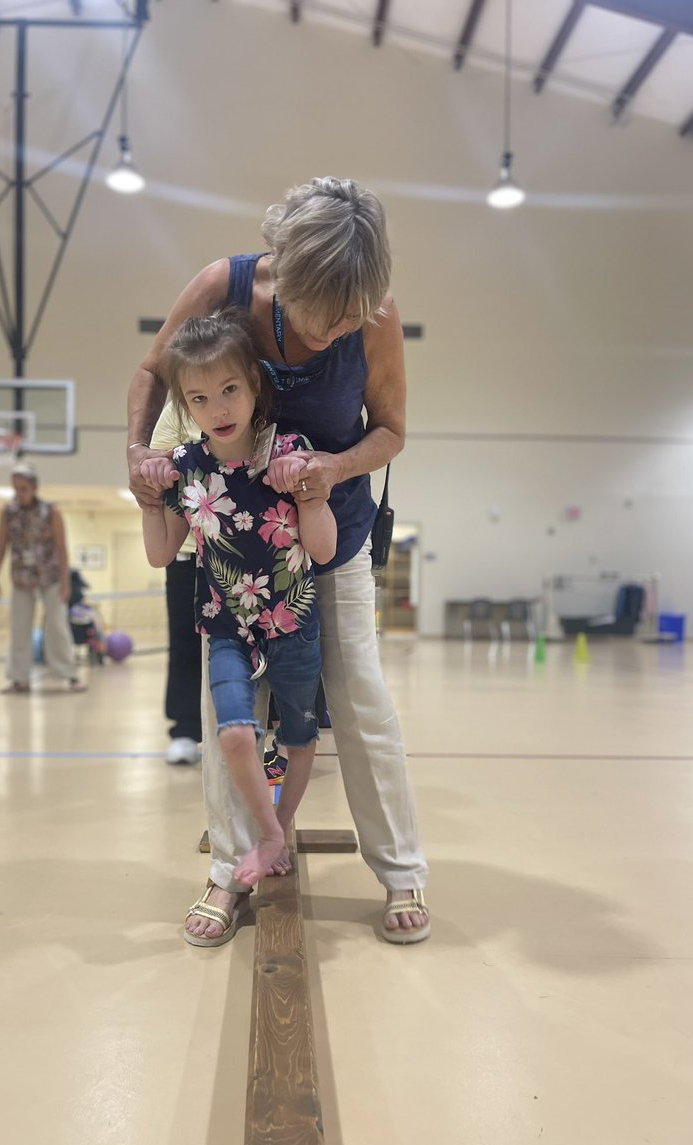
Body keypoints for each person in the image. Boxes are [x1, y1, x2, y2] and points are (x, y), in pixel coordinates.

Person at [129, 176, 430, 945]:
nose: (333, 335)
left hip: (331, 533)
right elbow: (151, 373)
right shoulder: (222, 289)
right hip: (235, 544)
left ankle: (401, 871)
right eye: (322, 319)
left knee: (357, 690)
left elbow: (391, 430)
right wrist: (139, 455)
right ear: (286, 275)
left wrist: (331, 469)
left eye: (349, 321)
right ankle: (230, 868)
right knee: (225, 704)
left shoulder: (375, 318)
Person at [141, 309, 337, 943]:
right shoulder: (187, 467)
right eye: (198, 398)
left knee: (300, 736)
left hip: (293, 620)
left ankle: (279, 826)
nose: (218, 407)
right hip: (225, 623)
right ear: (184, 405)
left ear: (254, 384)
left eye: (229, 389)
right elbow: (161, 552)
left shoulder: (288, 453)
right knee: (232, 736)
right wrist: (150, 500)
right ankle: (272, 837)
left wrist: (313, 495)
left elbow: (325, 551)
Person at [0, 461, 85, 694]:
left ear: (34, 488)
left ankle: (69, 675)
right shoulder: (8, 512)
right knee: (19, 627)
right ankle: (19, 678)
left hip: (50, 577)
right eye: (16, 488)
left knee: (57, 624)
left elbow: (62, 548)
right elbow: (1, 545)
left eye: (23, 488)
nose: (19, 493)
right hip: (21, 577)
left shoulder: (51, 512)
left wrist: (65, 582)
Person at [150, 402, 203, 766]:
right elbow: (158, 471)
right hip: (186, 551)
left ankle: (267, 731)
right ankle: (185, 729)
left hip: (243, 553)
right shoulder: (175, 412)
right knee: (184, 642)